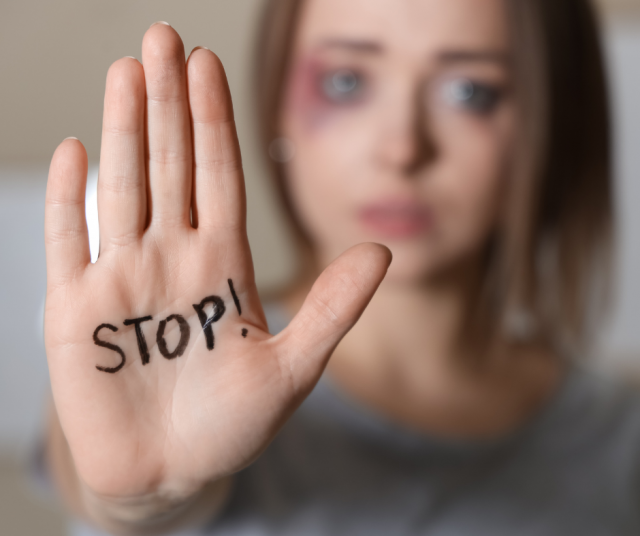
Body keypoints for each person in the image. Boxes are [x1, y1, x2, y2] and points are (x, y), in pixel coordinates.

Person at [42, 0, 640, 534]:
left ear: (553, 120)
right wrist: (145, 500)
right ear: (278, 105)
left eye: (470, 92)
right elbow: (119, 492)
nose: (402, 148)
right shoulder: (165, 366)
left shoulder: (621, 435)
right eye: (346, 81)